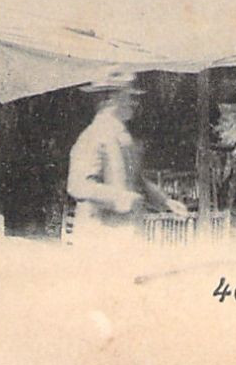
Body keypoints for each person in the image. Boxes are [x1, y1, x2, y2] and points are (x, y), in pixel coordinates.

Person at [66, 70, 186, 247]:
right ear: (111, 99)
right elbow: (77, 185)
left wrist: (165, 201)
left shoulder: (122, 136)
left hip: (126, 233)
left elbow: (137, 179)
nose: (134, 102)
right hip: (99, 236)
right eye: (128, 96)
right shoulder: (93, 136)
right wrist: (118, 197)